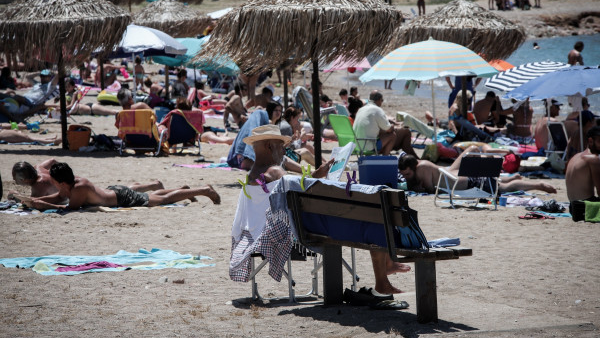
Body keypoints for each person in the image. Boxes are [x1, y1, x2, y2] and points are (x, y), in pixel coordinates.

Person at [233, 124, 409, 295]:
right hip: (300, 232)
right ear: (269, 146)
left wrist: (317, 174)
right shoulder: (275, 172)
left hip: (265, 232)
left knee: (371, 219)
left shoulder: (252, 175)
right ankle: (383, 280)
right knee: (375, 221)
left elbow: (299, 186)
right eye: (281, 146)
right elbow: (300, 186)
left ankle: (386, 268)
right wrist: (321, 176)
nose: (284, 151)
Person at [16, 162, 220, 211]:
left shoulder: (78, 189)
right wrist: (35, 201)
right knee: (156, 195)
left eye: (52, 180)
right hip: (116, 191)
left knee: (162, 200)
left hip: (121, 199)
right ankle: (183, 190)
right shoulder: (72, 182)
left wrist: (39, 204)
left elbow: (67, 208)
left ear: (60, 181)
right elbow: (58, 197)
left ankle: (204, 190)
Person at [398, 147, 557, 195]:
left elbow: (431, 190)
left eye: (407, 174)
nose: (406, 177)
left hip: (467, 183)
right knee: (497, 183)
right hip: (461, 180)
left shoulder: (423, 167)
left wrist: (419, 188)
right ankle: (513, 178)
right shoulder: (418, 168)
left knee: (502, 189)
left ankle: (538, 185)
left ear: (414, 167)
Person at [11, 159, 164, 199]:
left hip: (78, 189)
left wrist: (16, 198)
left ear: (24, 180)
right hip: (78, 182)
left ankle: (153, 184)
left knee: (115, 193)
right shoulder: (39, 168)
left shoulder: (38, 186)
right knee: (114, 191)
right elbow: (52, 160)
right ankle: (147, 185)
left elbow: (34, 202)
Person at [353, 90, 417, 157]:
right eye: (382, 100)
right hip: (368, 146)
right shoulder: (377, 110)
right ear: (378, 100)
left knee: (382, 133)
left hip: (357, 146)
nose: (382, 102)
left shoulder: (361, 109)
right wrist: (393, 125)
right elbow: (389, 129)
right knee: (392, 135)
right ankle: (385, 158)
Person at [565, 126, 600, 201]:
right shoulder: (593, 159)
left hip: (573, 207)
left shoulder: (575, 157)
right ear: (590, 141)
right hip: (585, 207)